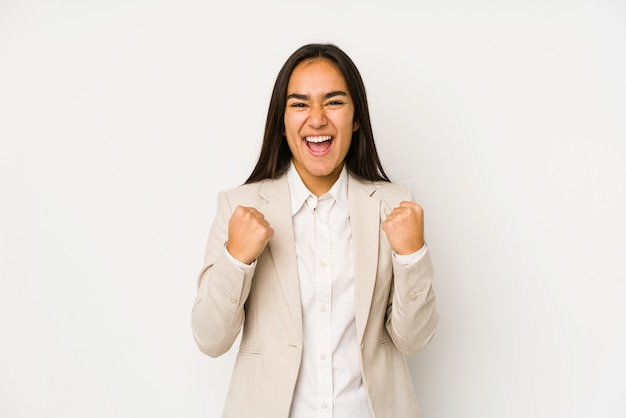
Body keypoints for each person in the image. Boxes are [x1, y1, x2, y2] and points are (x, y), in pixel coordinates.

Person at [191, 43, 438, 418]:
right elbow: (210, 339)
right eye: (300, 104)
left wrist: (412, 256)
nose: (317, 119)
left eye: (334, 102)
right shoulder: (239, 208)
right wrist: (236, 259)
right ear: (282, 119)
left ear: (356, 118)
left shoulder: (395, 206)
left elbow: (414, 340)